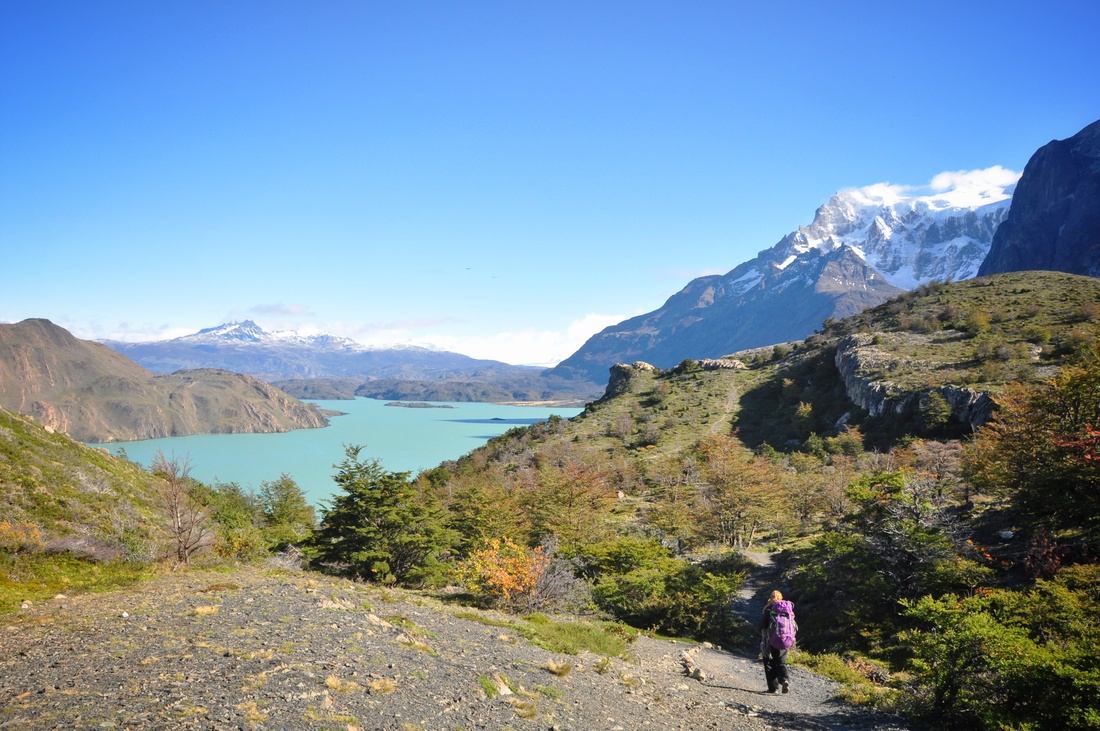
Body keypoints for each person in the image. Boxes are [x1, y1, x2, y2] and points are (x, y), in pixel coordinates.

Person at [759, 589, 797, 694]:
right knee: (780, 662)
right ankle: (784, 680)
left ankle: (773, 688)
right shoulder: (787, 610)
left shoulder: (769, 609)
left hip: (771, 640)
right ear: (781, 597)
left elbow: (763, 625)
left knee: (769, 662)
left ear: (771, 597)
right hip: (786, 639)